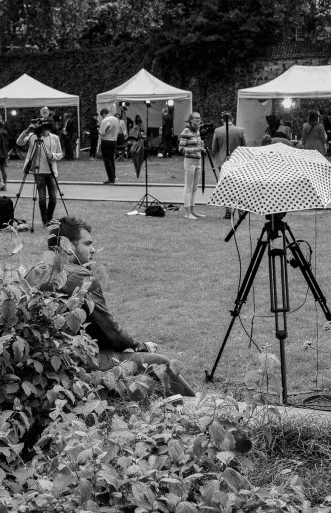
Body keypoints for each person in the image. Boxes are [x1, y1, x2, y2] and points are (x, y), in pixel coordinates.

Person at [25, 217, 196, 397]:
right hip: (75, 362)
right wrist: (141, 346)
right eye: (88, 243)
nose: (92, 250)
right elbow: (110, 332)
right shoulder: (81, 278)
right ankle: (189, 408)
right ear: (67, 247)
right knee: (161, 362)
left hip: (42, 361)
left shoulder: (33, 272)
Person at [16, 121, 64, 227]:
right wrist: (27, 131)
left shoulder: (55, 138)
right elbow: (19, 142)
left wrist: (52, 156)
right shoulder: (33, 136)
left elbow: (61, 153)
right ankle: (45, 220)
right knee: (42, 198)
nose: (43, 130)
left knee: (53, 198)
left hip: (51, 171)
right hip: (38, 171)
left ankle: (50, 217)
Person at [210, 112, 246, 218]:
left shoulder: (217, 131)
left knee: (225, 186)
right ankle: (240, 211)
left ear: (222, 120)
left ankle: (228, 211)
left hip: (223, 161)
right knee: (239, 186)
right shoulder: (240, 130)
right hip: (237, 161)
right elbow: (245, 146)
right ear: (232, 119)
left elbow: (213, 148)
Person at [178, 111, 205, 220]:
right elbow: (181, 149)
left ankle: (193, 210)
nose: (198, 120)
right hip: (189, 162)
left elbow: (197, 144)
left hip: (198, 161)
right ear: (191, 120)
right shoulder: (186, 131)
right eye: (196, 118)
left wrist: (201, 148)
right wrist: (195, 149)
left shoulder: (197, 131)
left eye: (199, 118)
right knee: (188, 187)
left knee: (194, 187)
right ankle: (187, 212)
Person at [98, 108, 120, 184]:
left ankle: (111, 178)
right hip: (114, 141)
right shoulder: (116, 119)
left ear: (103, 114)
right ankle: (113, 175)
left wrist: (99, 130)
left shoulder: (105, 120)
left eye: (102, 116)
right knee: (111, 159)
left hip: (106, 141)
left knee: (107, 160)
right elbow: (118, 130)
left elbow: (102, 132)